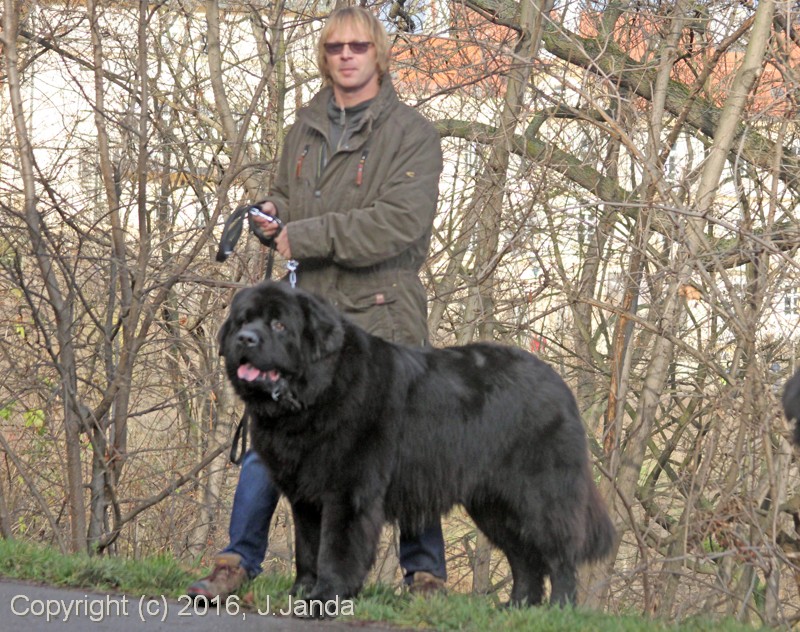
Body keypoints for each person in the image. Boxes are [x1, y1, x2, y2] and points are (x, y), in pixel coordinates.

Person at [187, 6, 447, 600]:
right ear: (324, 57)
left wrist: (302, 235)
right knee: (270, 428)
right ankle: (237, 562)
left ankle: (424, 574)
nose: (346, 56)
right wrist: (273, 213)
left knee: (402, 442)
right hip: (305, 317)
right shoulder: (302, 129)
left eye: (358, 46)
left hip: (382, 312)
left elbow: (399, 224)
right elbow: (288, 195)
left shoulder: (412, 134)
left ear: (379, 53)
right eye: (335, 47)